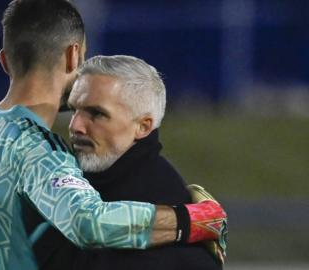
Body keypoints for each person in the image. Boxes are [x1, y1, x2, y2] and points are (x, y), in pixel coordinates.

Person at [0, 1, 227, 269]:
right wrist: (194, 219)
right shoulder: (37, 150)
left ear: (4, 61)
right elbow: (90, 222)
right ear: (74, 55)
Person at [25, 55, 225, 270]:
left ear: (143, 126)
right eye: (74, 110)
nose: (75, 126)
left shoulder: (167, 210)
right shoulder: (56, 179)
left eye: (97, 113)